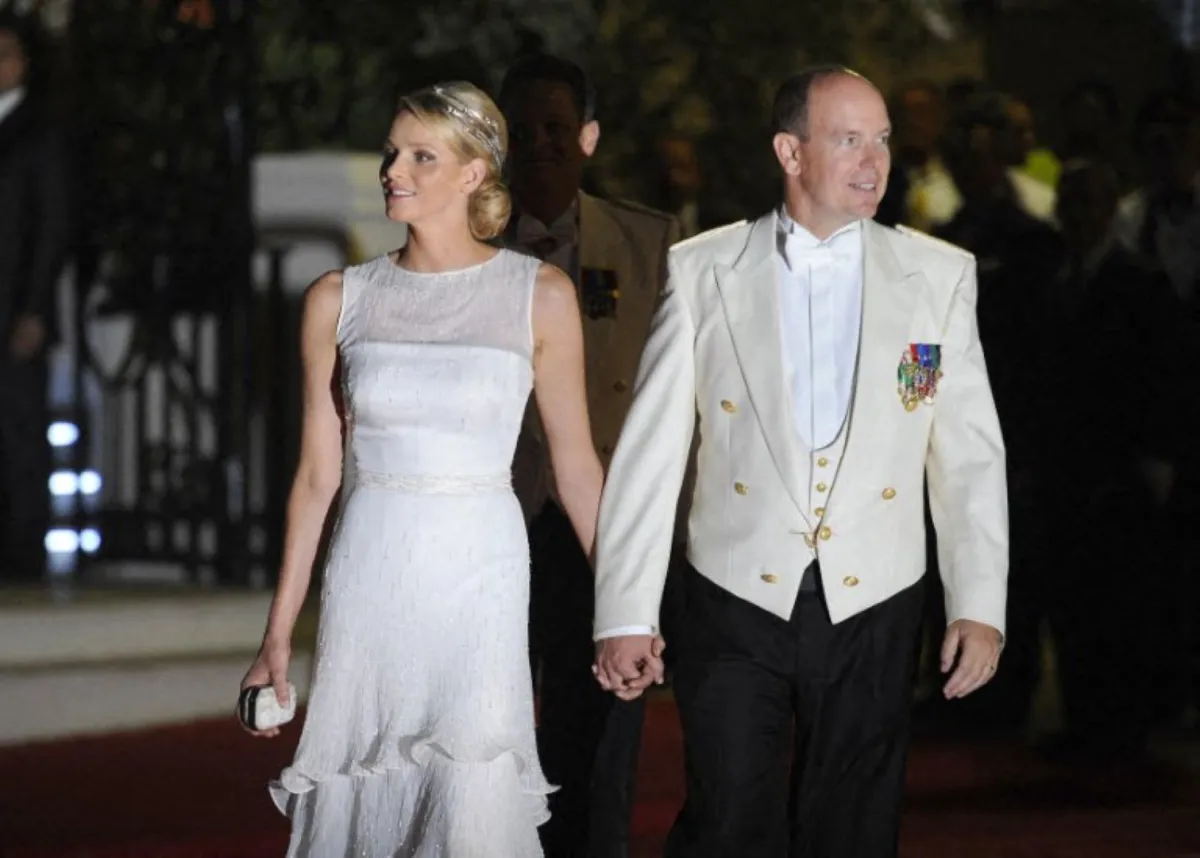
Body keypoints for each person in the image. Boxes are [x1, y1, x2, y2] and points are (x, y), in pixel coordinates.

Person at [592, 66, 1008, 857]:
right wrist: (625, 612)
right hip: (733, 591)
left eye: (882, 140)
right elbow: (650, 455)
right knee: (725, 823)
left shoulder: (939, 275)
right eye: (849, 140)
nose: (873, 162)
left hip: (878, 595)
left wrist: (978, 603)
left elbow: (967, 455)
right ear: (790, 152)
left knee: (853, 828)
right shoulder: (703, 268)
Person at [240, 81, 604, 857]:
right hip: (371, 564)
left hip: (481, 565)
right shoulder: (337, 299)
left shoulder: (539, 294)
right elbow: (316, 477)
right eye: (391, 153)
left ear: (474, 173)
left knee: (468, 785)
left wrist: (628, 608)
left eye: (420, 156)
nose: (393, 170)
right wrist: (275, 636)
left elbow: (576, 467)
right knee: (364, 779)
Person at [499, 54, 680, 858]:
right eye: (522, 129)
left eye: (557, 127)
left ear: (589, 137)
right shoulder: (457, 241)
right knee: (488, 735)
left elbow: (680, 397)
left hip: (604, 524)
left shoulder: (649, 242)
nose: (540, 144)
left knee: (599, 738)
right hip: (495, 523)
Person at [0, 9, 69, 581]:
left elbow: (52, 228)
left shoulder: (41, 133)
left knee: (19, 430)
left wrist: (34, 309)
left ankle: (24, 554)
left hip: (14, 309)